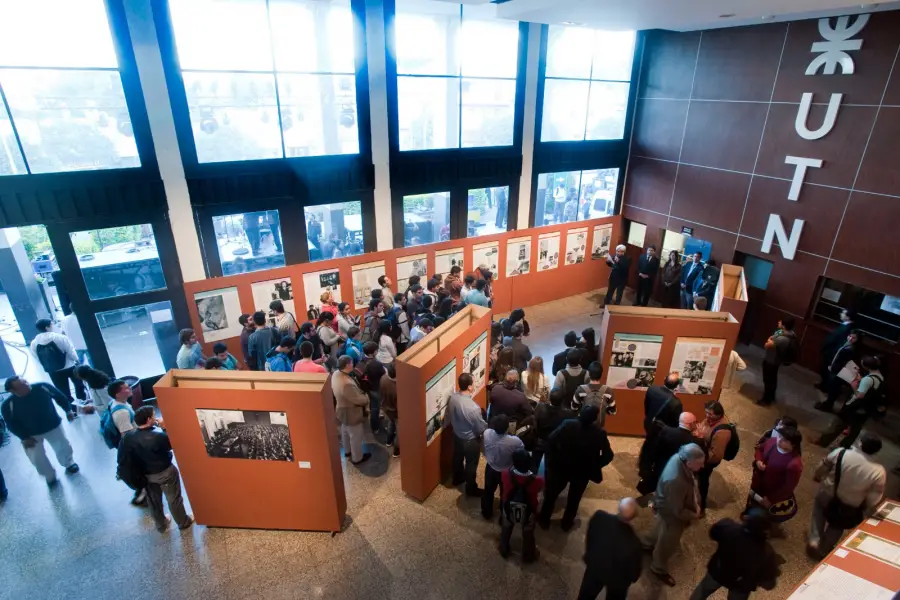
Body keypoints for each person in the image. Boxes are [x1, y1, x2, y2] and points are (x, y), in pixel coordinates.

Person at [807, 433, 886, 558]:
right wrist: (867, 505)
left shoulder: (840, 453)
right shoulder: (878, 471)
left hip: (828, 493)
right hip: (851, 503)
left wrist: (817, 476)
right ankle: (824, 548)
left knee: (819, 511)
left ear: (860, 443)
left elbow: (823, 467)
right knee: (838, 525)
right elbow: (874, 495)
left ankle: (814, 540)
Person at [117, 406, 193, 533]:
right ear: (148, 419)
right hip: (164, 472)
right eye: (153, 416)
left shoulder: (128, 437)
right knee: (173, 498)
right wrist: (164, 427)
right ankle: (183, 521)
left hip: (144, 475)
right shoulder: (157, 436)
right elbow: (172, 443)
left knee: (154, 501)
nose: (155, 417)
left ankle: (161, 524)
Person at [538, 405, 614, 531]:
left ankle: (544, 520)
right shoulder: (599, 432)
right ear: (595, 418)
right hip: (582, 471)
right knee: (574, 499)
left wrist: (553, 458)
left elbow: (551, 439)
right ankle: (566, 523)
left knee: (551, 495)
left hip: (562, 467)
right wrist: (595, 464)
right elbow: (608, 455)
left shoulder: (568, 424)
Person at [641, 443, 704, 587]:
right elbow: (678, 511)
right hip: (672, 516)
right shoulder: (677, 480)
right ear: (688, 462)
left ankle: (647, 544)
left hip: (664, 507)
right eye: (699, 464)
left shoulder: (678, 457)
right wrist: (694, 514)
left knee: (660, 526)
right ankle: (658, 568)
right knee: (668, 542)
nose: (702, 466)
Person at [1, 376, 79, 486]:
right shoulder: (8, 405)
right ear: (12, 391)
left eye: (25, 381)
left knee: (63, 446)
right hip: (30, 435)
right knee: (37, 458)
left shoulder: (42, 387)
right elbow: (10, 423)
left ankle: (69, 463)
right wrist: (24, 437)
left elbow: (60, 397)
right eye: (22, 386)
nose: (27, 385)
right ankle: (49, 475)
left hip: (52, 425)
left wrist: (68, 410)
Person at [690, 509, 781, 600]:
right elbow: (769, 585)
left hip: (718, 571)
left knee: (703, 589)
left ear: (746, 519)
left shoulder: (729, 528)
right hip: (741, 586)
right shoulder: (767, 554)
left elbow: (713, 533)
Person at [578, 498, 643, 600]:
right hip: (617, 581)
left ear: (619, 507)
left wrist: (591, 554)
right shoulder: (634, 543)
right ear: (633, 517)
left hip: (595, 567)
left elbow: (590, 536)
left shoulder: (599, 517)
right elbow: (634, 573)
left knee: (586, 595)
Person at [816, 356, 886, 448]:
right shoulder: (880, 377)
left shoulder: (867, 380)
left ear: (867, 367)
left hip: (853, 407)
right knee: (854, 431)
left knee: (838, 424)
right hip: (865, 410)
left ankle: (823, 442)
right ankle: (843, 447)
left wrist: (853, 386)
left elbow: (859, 395)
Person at [748, 426, 803, 523]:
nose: (780, 440)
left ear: (793, 444)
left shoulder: (794, 464)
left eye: (785, 440)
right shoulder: (772, 441)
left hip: (771, 493)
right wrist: (758, 460)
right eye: (780, 436)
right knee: (752, 502)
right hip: (758, 484)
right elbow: (759, 449)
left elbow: (788, 487)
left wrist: (771, 499)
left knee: (762, 516)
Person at [444, 372, 487, 496]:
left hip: (457, 435)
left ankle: (457, 478)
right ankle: (471, 488)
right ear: (469, 387)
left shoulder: (453, 398)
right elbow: (480, 428)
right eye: (473, 382)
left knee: (457, 458)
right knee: (471, 465)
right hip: (470, 441)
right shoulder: (473, 408)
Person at [499, 448, 544, 562]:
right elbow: (537, 493)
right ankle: (528, 555)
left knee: (506, 528)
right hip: (528, 510)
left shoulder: (505, 474)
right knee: (528, 532)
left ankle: (504, 549)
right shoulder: (538, 480)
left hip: (508, 507)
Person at [106, 379, 147, 505]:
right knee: (140, 471)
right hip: (132, 447)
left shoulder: (116, 403)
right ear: (118, 394)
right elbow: (127, 435)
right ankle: (141, 495)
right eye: (125, 388)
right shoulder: (121, 413)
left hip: (129, 445)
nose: (129, 388)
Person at [30, 318, 85, 408]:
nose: (53, 326)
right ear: (47, 327)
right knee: (78, 383)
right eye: (52, 324)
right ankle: (82, 399)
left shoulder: (34, 343)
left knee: (63, 390)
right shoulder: (60, 337)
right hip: (69, 366)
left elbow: (37, 357)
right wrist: (77, 361)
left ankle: (72, 408)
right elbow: (71, 351)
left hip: (53, 370)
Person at [642, 412, 698, 495]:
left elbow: (656, 449)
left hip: (661, 467)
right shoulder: (693, 440)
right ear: (691, 424)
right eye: (695, 422)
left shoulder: (666, 431)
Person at [481, 414, 525, 520]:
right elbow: (521, 450)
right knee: (505, 494)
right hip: (506, 471)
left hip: (491, 468)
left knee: (488, 491)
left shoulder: (487, 434)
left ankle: (486, 512)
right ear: (507, 427)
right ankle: (503, 516)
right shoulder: (514, 441)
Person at [695, 400, 733, 512]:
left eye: (710, 414)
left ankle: (701, 505)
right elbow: (702, 428)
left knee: (702, 480)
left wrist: (701, 461)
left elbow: (716, 456)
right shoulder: (709, 420)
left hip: (707, 461)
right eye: (706, 412)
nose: (707, 416)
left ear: (719, 414)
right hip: (702, 454)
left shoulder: (722, 432)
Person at [333, 355, 371, 465]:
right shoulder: (346, 384)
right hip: (351, 412)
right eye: (351, 363)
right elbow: (359, 400)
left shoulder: (336, 374)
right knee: (355, 436)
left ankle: (347, 451)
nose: (353, 365)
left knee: (344, 431)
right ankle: (357, 458)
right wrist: (366, 397)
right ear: (347, 365)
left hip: (341, 409)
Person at [814, 330, 862, 412]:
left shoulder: (852, 350)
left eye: (853, 338)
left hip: (840, 372)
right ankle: (827, 403)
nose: (850, 338)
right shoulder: (846, 344)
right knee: (832, 386)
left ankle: (828, 405)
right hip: (835, 369)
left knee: (834, 388)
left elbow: (845, 363)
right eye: (850, 336)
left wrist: (835, 368)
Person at [532, 388, 575, 472]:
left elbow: (535, 423)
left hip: (540, 441)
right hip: (556, 445)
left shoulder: (540, 407)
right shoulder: (568, 414)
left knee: (534, 464)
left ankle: (531, 479)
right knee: (551, 468)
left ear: (549, 398)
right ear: (562, 400)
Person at [758, 316, 797, 406]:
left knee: (768, 380)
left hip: (771, 361)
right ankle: (771, 396)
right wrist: (771, 339)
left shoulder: (782, 339)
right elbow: (773, 337)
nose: (779, 322)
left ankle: (766, 399)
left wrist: (770, 339)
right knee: (773, 379)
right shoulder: (790, 334)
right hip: (776, 361)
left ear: (784, 325)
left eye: (781, 322)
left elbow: (766, 345)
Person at [817, 308, 855, 389]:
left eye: (843, 313)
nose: (841, 314)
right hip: (830, 352)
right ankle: (824, 385)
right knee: (824, 370)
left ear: (848, 317)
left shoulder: (847, 328)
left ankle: (825, 387)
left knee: (826, 371)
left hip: (832, 354)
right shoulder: (845, 325)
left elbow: (839, 342)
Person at [573, 362, 616, 426]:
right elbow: (613, 411)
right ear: (601, 374)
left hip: (584, 425)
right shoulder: (608, 390)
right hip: (599, 425)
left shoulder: (580, 389)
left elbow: (574, 408)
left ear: (589, 374)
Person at [360, 341, 386, 433]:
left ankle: (375, 427)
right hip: (376, 388)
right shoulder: (375, 364)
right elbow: (384, 374)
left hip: (367, 387)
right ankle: (376, 427)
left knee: (373, 406)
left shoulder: (362, 359)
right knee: (375, 408)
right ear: (373, 353)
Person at [381, 363, 400, 457]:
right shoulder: (397, 388)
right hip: (395, 412)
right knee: (399, 431)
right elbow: (398, 405)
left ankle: (388, 441)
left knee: (391, 424)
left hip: (386, 408)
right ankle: (396, 451)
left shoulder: (383, 378)